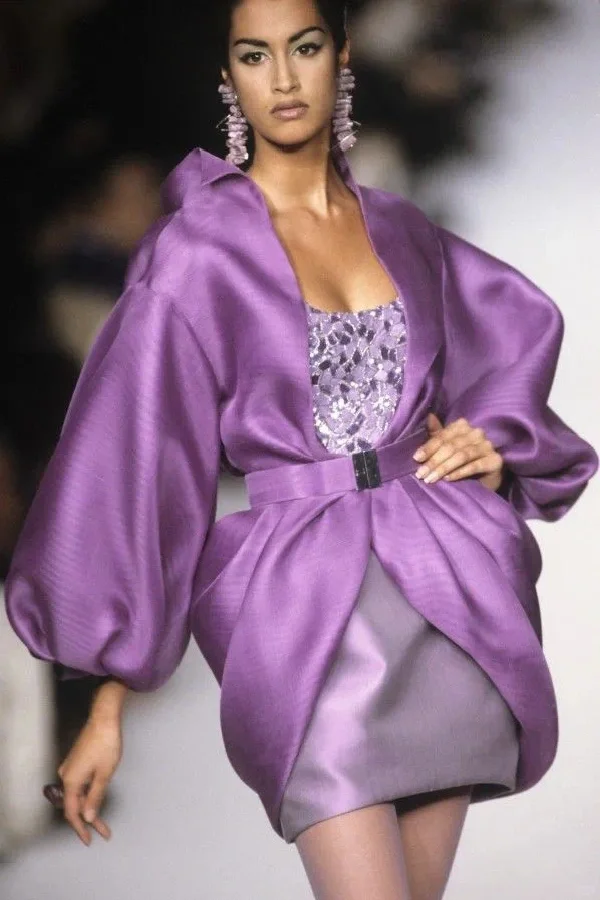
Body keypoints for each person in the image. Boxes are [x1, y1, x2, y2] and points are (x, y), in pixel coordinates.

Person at [4, 1, 598, 897]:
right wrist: (106, 703)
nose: (282, 78)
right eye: (255, 55)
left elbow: (511, 335)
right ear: (228, 76)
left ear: (341, 56)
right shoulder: (199, 251)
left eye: (304, 47)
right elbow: (138, 457)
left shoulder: (401, 228)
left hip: (444, 600)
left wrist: (493, 443)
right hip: (304, 619)